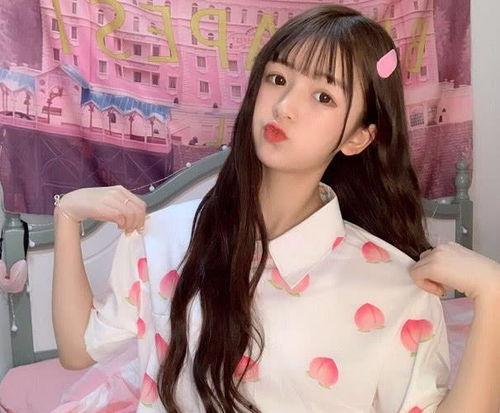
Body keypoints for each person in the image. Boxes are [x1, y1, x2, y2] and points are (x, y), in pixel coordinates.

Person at [52, 4, 500, 413]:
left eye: (323, 96)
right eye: (278, 79)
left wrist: (493, 296)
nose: (284, 107)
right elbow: (78, 350)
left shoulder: (396, 288)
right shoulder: (164, 238)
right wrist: (67, 216)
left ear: (358, 137)